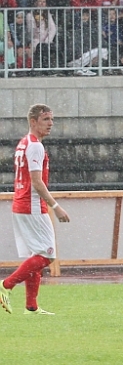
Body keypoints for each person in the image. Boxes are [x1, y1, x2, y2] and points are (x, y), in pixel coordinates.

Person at [1, 104, 71, 315]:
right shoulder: (35, 146)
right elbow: (37, 182)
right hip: (31, 206)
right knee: (47, 255)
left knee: (36, 256)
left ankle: (31, 306)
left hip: (22, 204)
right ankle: (6, 285)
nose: (51, 124)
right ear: (33, 121)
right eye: (46, 119)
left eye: (52, 119)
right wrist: (56, 207)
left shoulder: (24, 142)